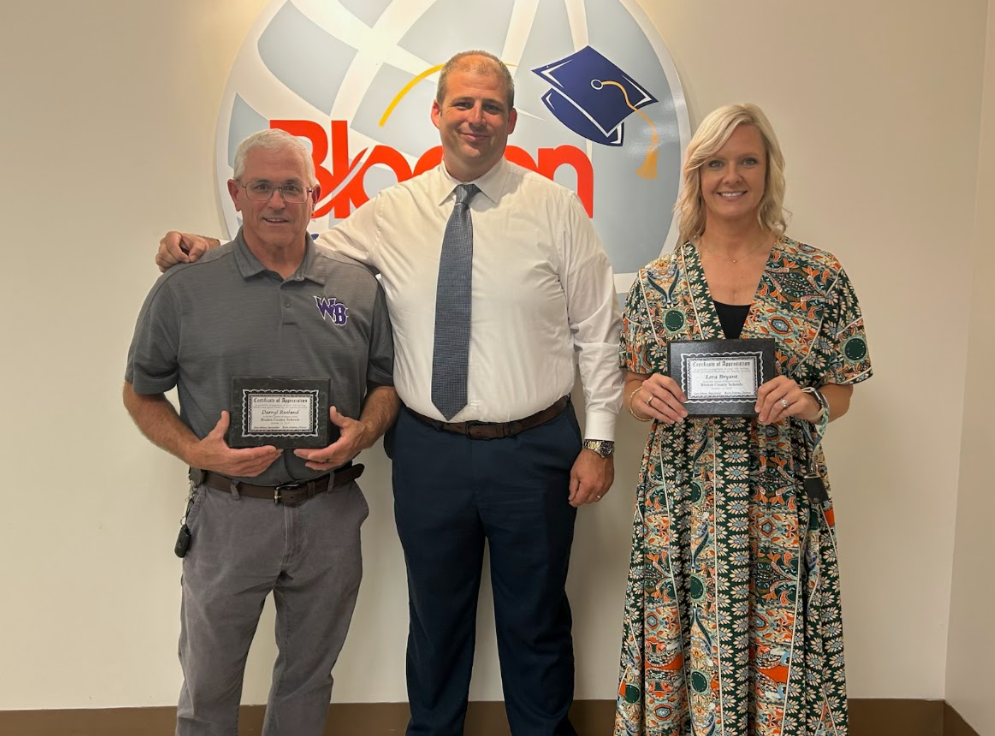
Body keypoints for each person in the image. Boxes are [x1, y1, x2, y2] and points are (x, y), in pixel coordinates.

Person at [155, 51, 624, 736]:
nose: (476, 117)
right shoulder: (390, 213)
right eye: (462, 103)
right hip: (429, 450)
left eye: (491, 106)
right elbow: (293, 250)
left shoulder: (554, 209)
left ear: (512, 121)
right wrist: (209, 247)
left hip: (537, 450)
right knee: (435, 618)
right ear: (436, 114)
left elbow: (597, 331)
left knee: (537, 619)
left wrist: (600, 440)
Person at [124, 128, 398, 736]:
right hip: (227, 515)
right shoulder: (185, 287)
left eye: (291, 188)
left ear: (315, 194)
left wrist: (363, 433)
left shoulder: (356, 286)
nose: (278, 201)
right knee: (209, 683)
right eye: (262, 187)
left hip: (329, 513)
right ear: (236, 193)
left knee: (308, 679)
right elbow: (140, 392)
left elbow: (385, 383)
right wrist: (194, 450)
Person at [613, 104, 872, 736]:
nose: (733, 176)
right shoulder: (658, 282)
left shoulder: (819, 276)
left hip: (780, 499)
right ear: (697, 176)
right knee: (684, 642)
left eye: (747, 160)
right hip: (684, 503)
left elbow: (841, 389)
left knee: (779, 651)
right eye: (716, 163)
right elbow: (629, 378)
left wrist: (809, 401)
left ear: (769, 170)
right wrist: (640, 395)